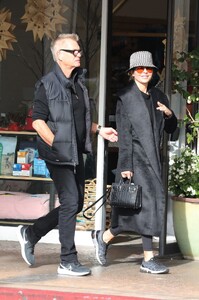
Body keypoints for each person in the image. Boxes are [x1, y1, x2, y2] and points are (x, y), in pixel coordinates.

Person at [17, 33, 117, 277]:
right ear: (59, 56)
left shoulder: (77, 83)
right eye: (74, 51)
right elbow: (37, 121)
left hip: (74, 153)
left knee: (77, 203)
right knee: (71, 201)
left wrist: (100, 130)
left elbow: (78, 121)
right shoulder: (46, 84)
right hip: (57, 154)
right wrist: (57, 144)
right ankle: (67, 260)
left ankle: (31, 233)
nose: (79, 54)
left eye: (79, 50)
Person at [92, 51, 178, 274]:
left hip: (153, 160)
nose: (145, 72)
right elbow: (125, 135)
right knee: (139, 208)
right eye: (140, 69)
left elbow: (172, 130)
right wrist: (126, 165)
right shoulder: (125, 98)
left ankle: (104, 238)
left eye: (149, 69)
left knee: (139, 211)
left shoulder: (160, 96)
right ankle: (147, 258)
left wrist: (169, 114)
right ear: (132, 73)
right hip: (135, 159)